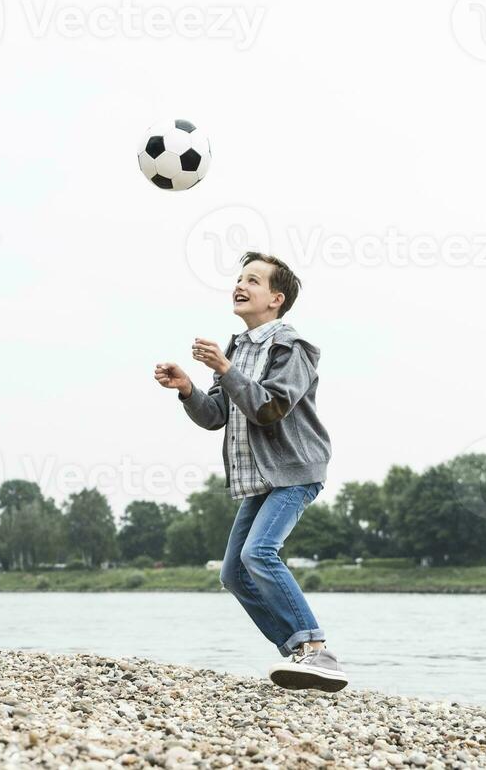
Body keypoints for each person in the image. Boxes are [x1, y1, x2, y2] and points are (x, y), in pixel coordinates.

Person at [153, 251, 348, 692]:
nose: (241, 285)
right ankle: (301, 655)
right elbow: (216, 415)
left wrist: (224, 368)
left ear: (276, 298)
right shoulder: (237, 348)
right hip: (258, 478)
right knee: (233, 573)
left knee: (258, 553)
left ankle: (317, 650)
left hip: (295, 471)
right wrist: (188, 389)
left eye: (254, 281)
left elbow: (270, 409)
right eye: (240, 278)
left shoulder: (292, 349)